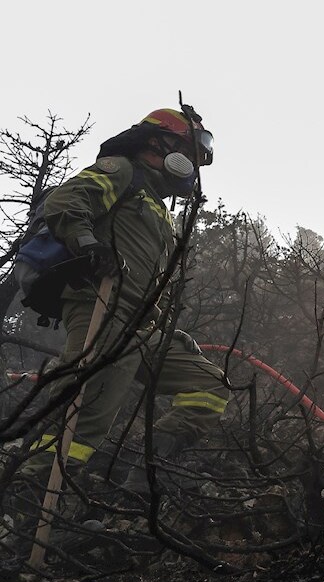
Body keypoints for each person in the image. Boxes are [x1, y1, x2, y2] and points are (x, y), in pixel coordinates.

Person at [14, 107, 228, 504]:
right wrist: (90, 247)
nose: (190, 166)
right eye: (186, 151)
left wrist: (160, 323)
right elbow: (67, 201)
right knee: (84, 414)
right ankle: (29, 503)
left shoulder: (158, 208)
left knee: (209, 386)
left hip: (138, 325)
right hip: (101, 306)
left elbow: (146, 276)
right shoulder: (121, 171)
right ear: (156, 142)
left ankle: (137, 490)